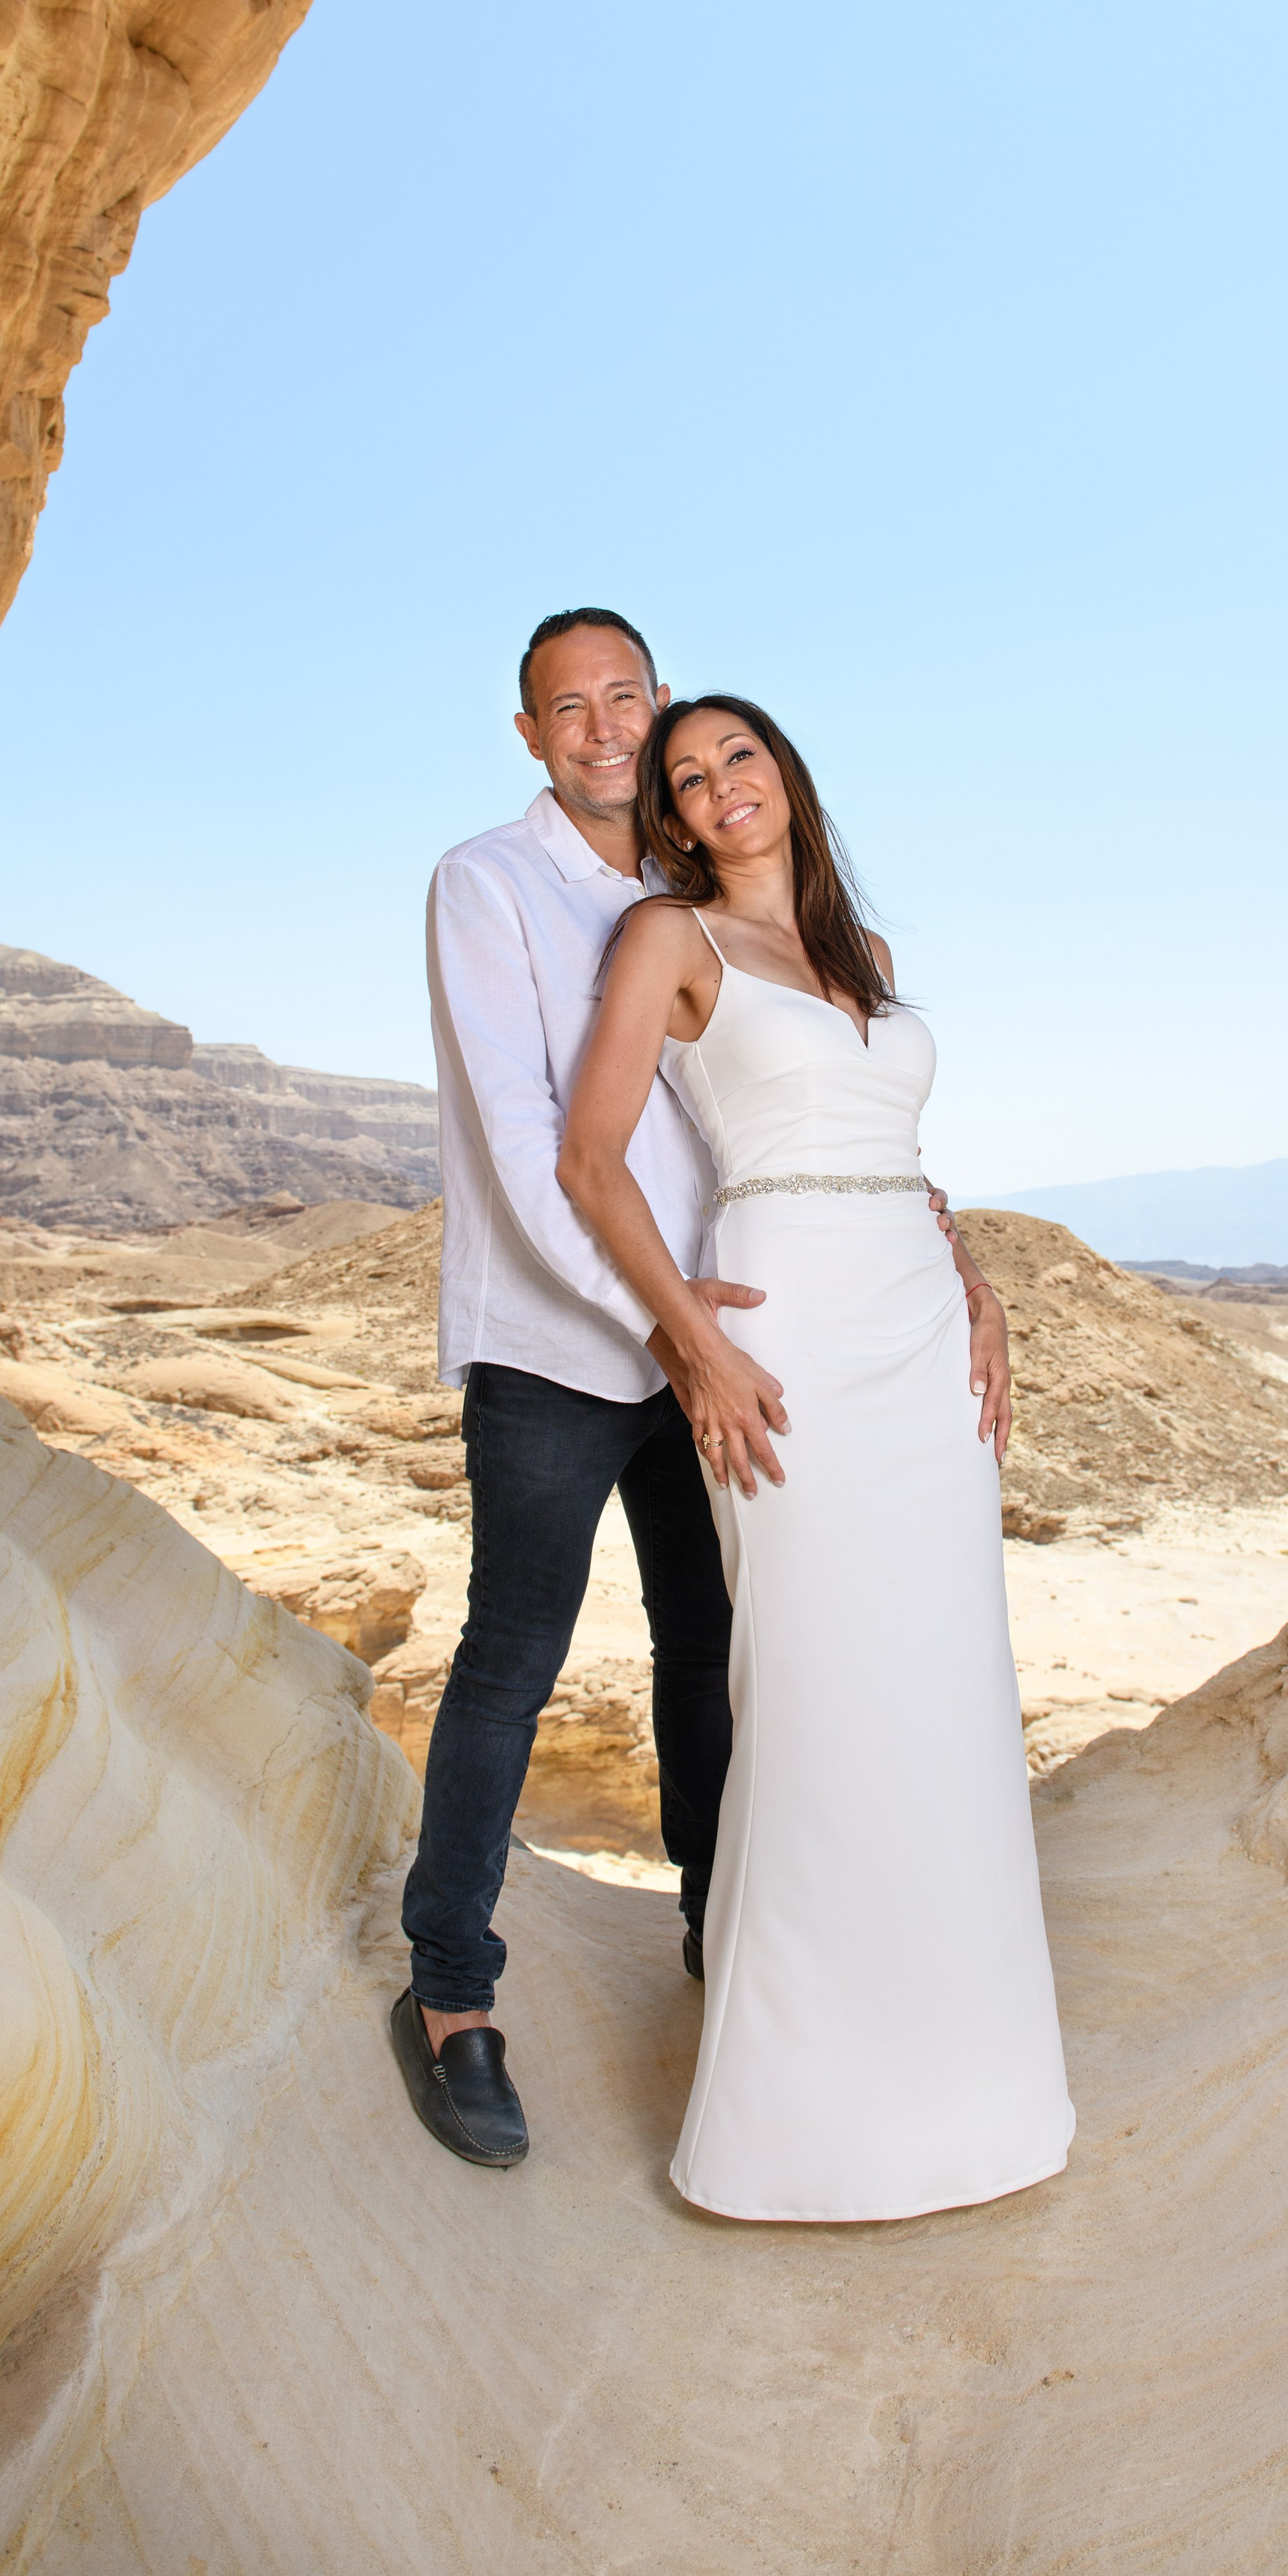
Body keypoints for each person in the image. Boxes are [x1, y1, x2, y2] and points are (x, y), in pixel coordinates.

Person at [559, 694, 1074, 2221]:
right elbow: (589, 1160)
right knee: (814, 1691)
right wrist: (690, 1342)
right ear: (670, 817)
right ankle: (799, 2128)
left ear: (782, 772)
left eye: (740, 757)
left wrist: (974, 1281)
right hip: (785, 1338)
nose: (721, 786)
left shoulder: (867, 957)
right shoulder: (670, 940)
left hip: (921, 1338)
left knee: (946, 1692)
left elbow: (895, 1159)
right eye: (687, 777)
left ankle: (973, 2095)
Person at [390, 611, 765, 2171]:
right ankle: (449, 1995)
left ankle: (721, 1942)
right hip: (555, 1348)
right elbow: (525, 1139)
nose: (604, 728)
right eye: (569, 707)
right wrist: (662, 1323)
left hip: (703, 1341)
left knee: (709, 1654)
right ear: (531, 735)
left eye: (626, 697)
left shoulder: (697, 891)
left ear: (660, 703)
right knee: (509, 1663)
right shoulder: (487, 883)